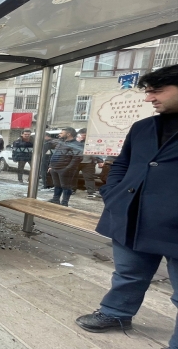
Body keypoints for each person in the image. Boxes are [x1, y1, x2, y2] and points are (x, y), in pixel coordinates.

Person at [75, 65, 178, 348]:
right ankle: (116, 314)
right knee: (128, 274)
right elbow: (122, 163)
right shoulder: (143, 127)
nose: (149, 99)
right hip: (132, 216)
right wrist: (114, 194)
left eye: (156, 91)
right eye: (147, 92)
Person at [46, 127, 83, 206]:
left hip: (65, 169)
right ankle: (56, 199)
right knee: (57, 184)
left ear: (68, 134)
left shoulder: (77, 145)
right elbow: (54, 155)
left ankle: (64, 202)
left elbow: (77, 158)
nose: (59, 135)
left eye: (61, 133)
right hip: (55, 168)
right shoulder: (61, 143)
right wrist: (51, 166)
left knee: (66, 186)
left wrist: (67, 168)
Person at [72, 129, 103, 198]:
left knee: (89, 177)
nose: (83, 137)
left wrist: (99, 160)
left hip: (88, 162)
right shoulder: (74, 141)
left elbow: (96, 151)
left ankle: (91, 192)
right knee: (73, 176)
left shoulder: (92, 142)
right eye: (82, 135)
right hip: (75, 162)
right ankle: (72, 190)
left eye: (85, 135)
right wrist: (77, 142)